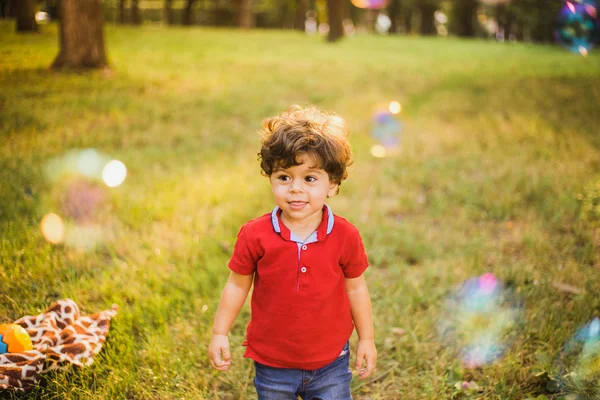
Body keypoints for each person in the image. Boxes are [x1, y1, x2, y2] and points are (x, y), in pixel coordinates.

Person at [208, 105, 377, 399]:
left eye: (310, 178)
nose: (296, 188)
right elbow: (236, 285)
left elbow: (356, 289)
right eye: (284, 177)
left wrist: (367, 339)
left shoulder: (345, 236)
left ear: (332, 185)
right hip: (273, 364)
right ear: (270, 178)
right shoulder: (254, 235)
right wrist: (219, 332)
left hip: (331, 363)